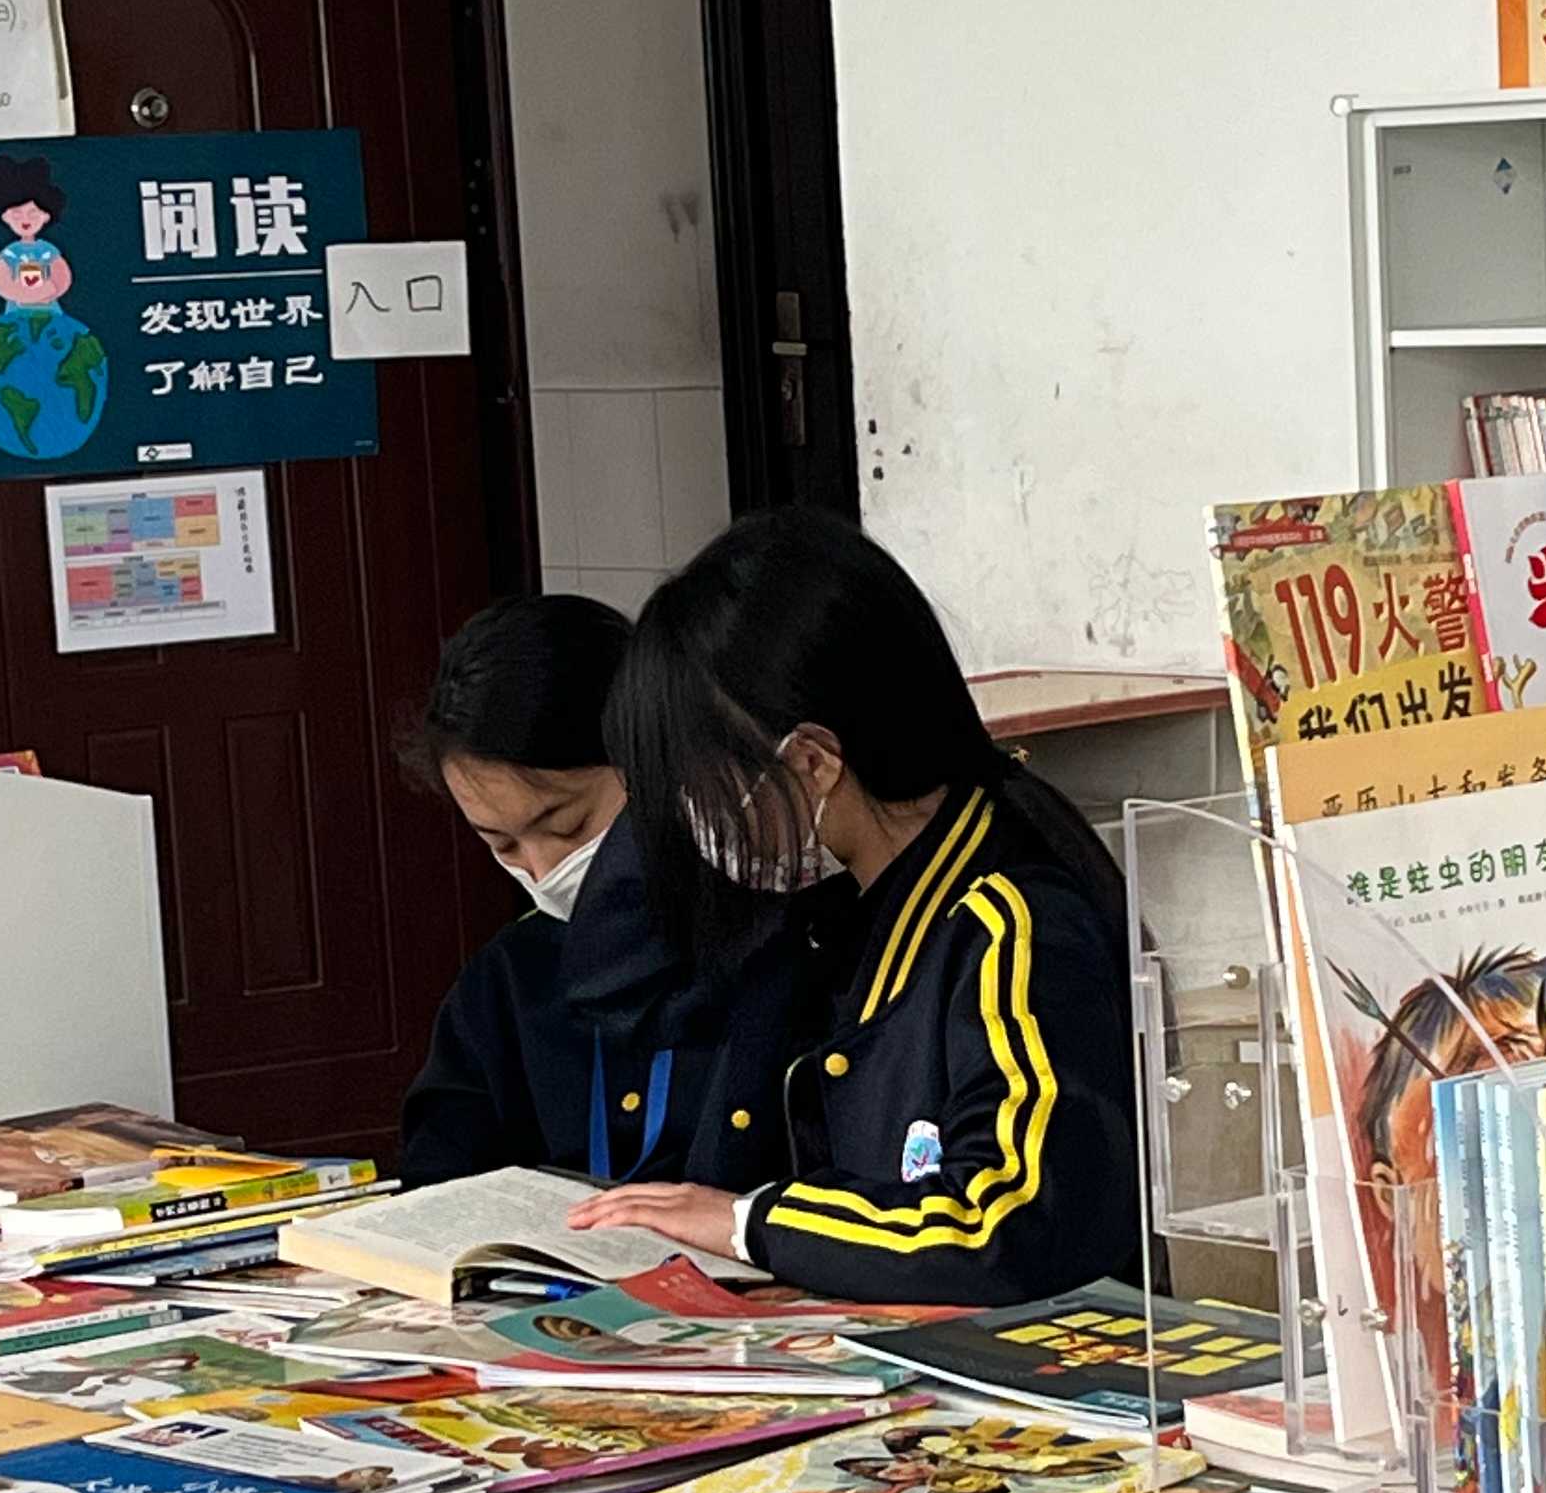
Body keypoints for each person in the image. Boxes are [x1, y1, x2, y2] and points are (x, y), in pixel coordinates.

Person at [569, 509, 1140, 1305]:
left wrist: (750, 1224)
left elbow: (1004, 1227)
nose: (693, 825)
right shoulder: (846, 907)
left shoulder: (1009, 921)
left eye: (700, 790)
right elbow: (613, 968)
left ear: (811, 761)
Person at [399, 592, 827, 1192]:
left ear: (660, 764)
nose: (544, 871)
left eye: (568, 826)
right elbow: (437, 1184)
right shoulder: (505, 985)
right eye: (502, 845)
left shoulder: (790, 944)